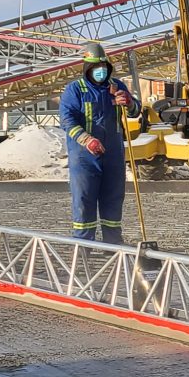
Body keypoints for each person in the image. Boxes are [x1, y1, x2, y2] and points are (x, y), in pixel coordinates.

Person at [58, 41, 137, 243]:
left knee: (113, 200)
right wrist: (87, 139)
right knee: (84, 201)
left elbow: (137, 110)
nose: (100, 72)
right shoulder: (75, 90)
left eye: (103, 67)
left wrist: (128, 102)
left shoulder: (116, 86)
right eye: (96, 68)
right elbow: (67, 120)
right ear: (87, 68)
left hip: (113, 155)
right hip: (85, 157)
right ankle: (83, 246)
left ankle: (113, 244)